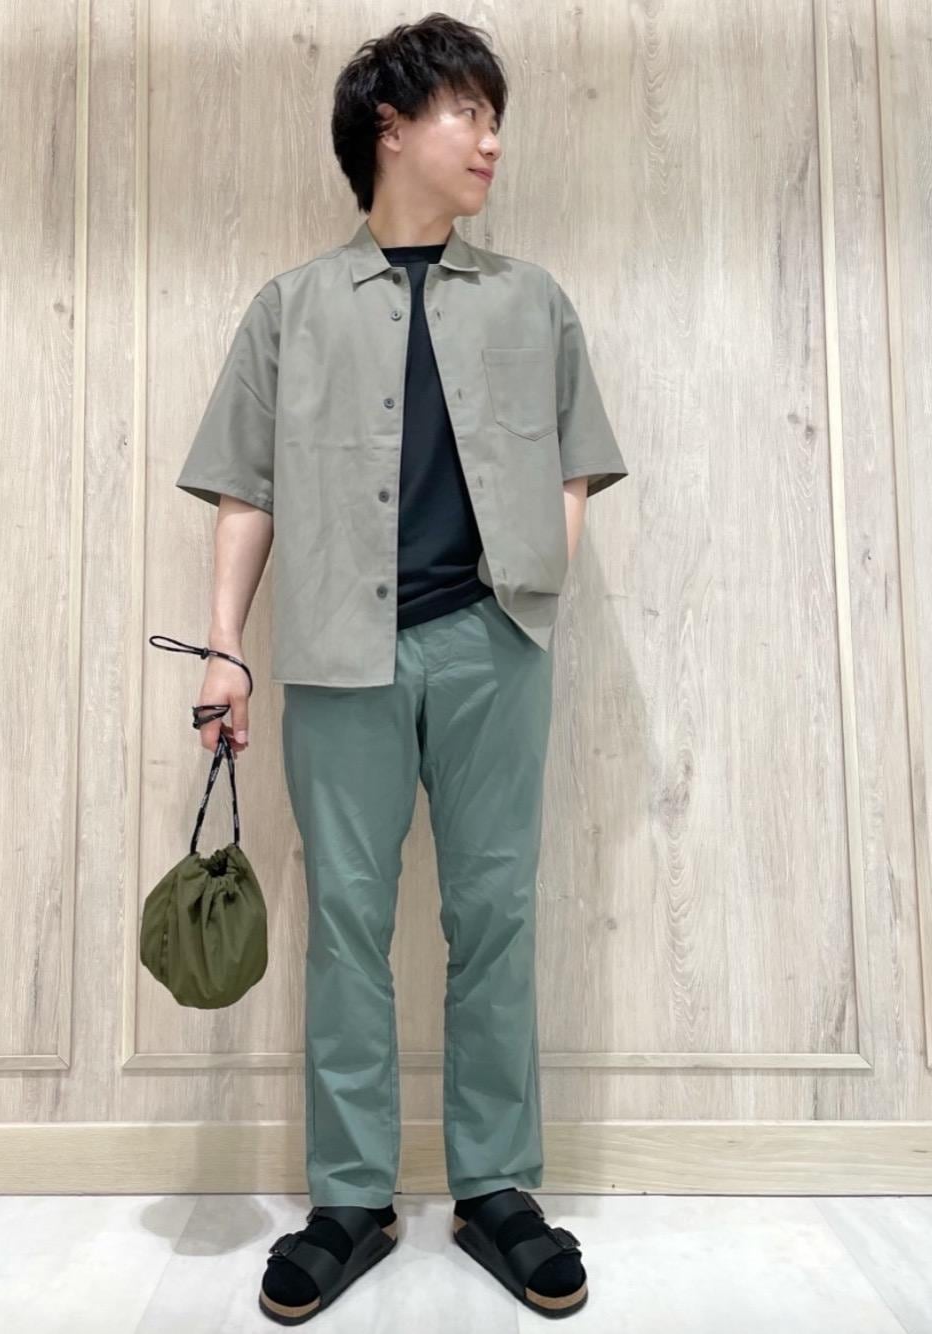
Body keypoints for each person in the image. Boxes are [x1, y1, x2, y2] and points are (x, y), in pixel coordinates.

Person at [174, 11, 628, 1324]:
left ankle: (498, 1188)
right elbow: (246, 491)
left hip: (493, 648)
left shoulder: (533, 300)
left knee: (495, 915)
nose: (490, 141)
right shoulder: (292, 308)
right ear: (389, 126)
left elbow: (574, 464)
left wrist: (529, 591)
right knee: (347, 926)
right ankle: (349, 1199)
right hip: (337, 657)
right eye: (466, 113)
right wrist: (224, 650)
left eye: (496, 118)